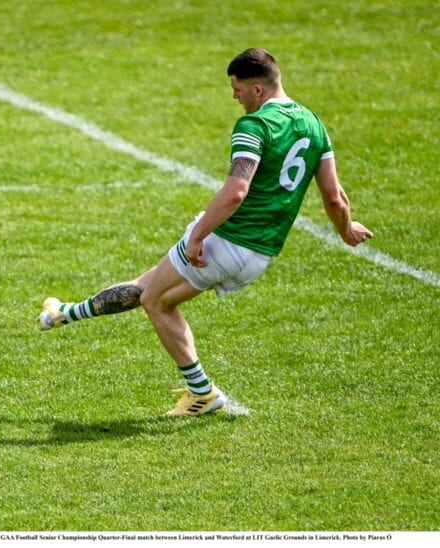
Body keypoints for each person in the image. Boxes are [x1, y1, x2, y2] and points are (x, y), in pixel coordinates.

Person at [36, 48, 373, 417]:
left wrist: (197, 236)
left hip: (227, 240)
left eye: (237, 88)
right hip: (259, 256)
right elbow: (335, 197)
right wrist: (346, 230)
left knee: (155, 301)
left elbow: (236, 192)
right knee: (149, 287)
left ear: (258, 90)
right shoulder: (314, 124)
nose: (234, 96)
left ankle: (202, 394)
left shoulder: (255, 126)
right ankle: (62, 314)